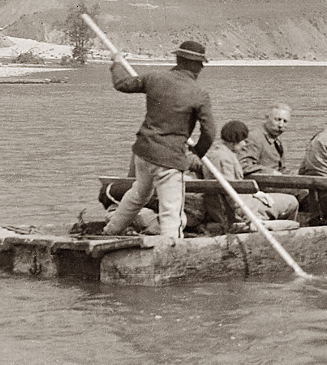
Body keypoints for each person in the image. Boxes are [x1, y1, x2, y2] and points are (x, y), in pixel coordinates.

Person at [101, 40, 216, 241]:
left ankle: (110, 231)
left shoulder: (154, 78)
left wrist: (117, 63)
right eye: (200, 64)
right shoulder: (199, 94)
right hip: (169, 160)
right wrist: (197, 152)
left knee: (138, 194)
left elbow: (121, 84)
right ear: (196, 65)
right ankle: (172, 252)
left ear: (178, 59)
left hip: (143, 153)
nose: (201, 68)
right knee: (172, 209)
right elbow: (210, 132)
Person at [201, 120, 299, 229]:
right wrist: (249, 217)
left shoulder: (216, 153)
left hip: (237, 204)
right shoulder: (223, 159)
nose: (244, 145)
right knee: (291, 202)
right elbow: (230, 194)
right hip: (241, 211)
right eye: (243, 141)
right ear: (234, 141)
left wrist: (255, 193)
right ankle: (286, 236)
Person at [238, 104, 292, 177]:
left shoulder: (279, 142)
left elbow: (281, 169)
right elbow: (243, 166)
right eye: (277, 119)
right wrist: (271, 172)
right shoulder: (255, 138)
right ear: (267, 118)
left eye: (285, 121)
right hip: (262, 184)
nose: (280, 125)